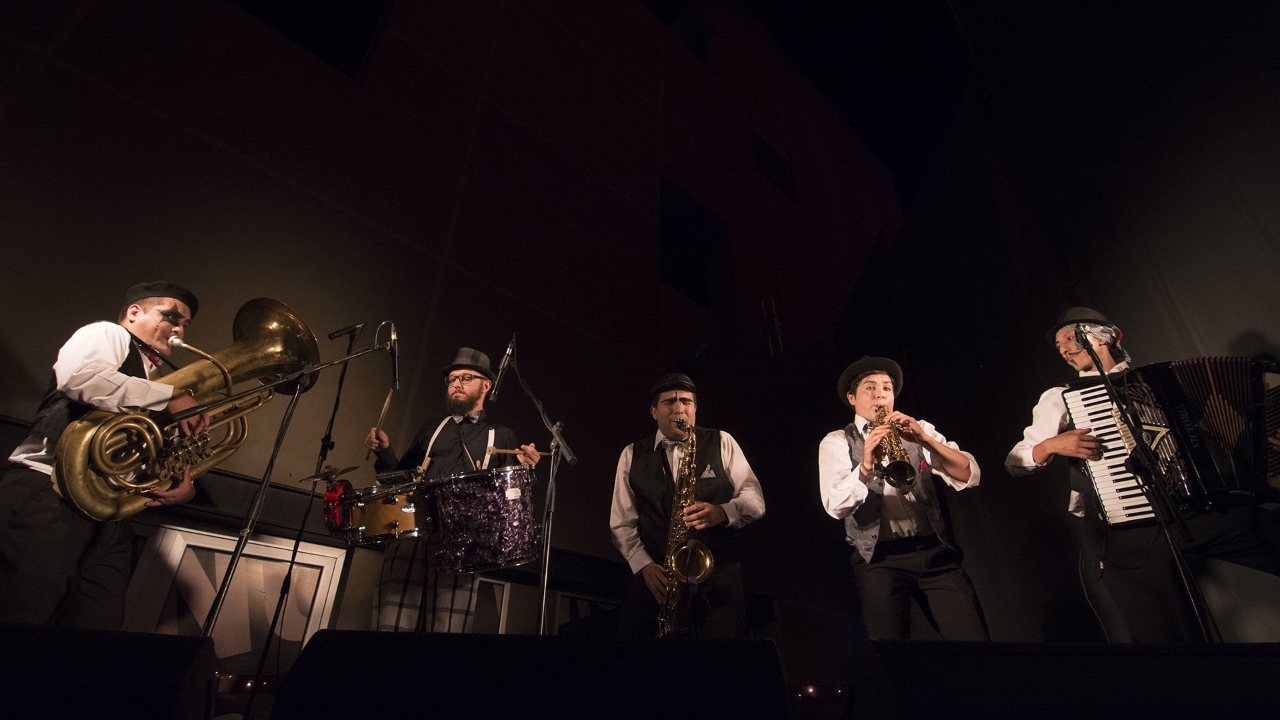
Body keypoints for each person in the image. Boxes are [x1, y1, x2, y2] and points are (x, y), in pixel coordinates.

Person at [1006, 307, 1280, 642]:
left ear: (1102, 338)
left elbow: (1219, 428)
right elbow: (1015, 461)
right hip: (1129, 531)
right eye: (1058, 345)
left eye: (1070, 338)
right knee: (1167, 640)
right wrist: (1050, 445)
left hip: (1193, 509)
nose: (1063, 349)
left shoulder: (1162, 382)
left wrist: (1260, 441)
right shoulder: (1059, 397)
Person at [0, 281, 209, 629]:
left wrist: (181, 484)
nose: (179, 329)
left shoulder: (159, 378)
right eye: (172, 317)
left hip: (110, 514)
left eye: (185, 324)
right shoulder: (107, 334)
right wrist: (167, 396)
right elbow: (80, 378)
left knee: (95, 631)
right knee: (20, 616)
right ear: (134, 312)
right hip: (48, 492)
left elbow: (147, 450)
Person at [365, 347, 539, 632]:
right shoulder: (432, 429)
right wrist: (385, 452)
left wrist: (525, 469)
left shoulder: (501, 435)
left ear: (486, 385)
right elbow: (397, 482)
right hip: (413, 532)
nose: (456, 383)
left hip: (465, 542)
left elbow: (512, 500)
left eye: (466, 378)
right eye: (452, 379)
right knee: (391, 624)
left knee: (448, 630)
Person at [818, 356, 988, 641]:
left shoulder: (919, 428)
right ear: (851, 398)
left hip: (933, 552)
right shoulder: (837, 441)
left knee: (973, 641)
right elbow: (835, 506)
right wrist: (866, 466)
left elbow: (970, 474)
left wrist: (925, 440)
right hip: (879, 560)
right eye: (870, 387)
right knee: (891, 651)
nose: (881, 394)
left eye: (887, 388)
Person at [609, 373, 766, 639]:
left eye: (686, 401)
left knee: (723, 646)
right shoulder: (632, 454)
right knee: (632, 641)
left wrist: (722, 512)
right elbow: (621, 522)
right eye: (670, 402)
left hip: (717, 571)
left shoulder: (721, 440)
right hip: (659, 572)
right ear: (654, 411)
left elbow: (755, 500)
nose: (679, 408)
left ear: (695, 408)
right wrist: (643, 565)